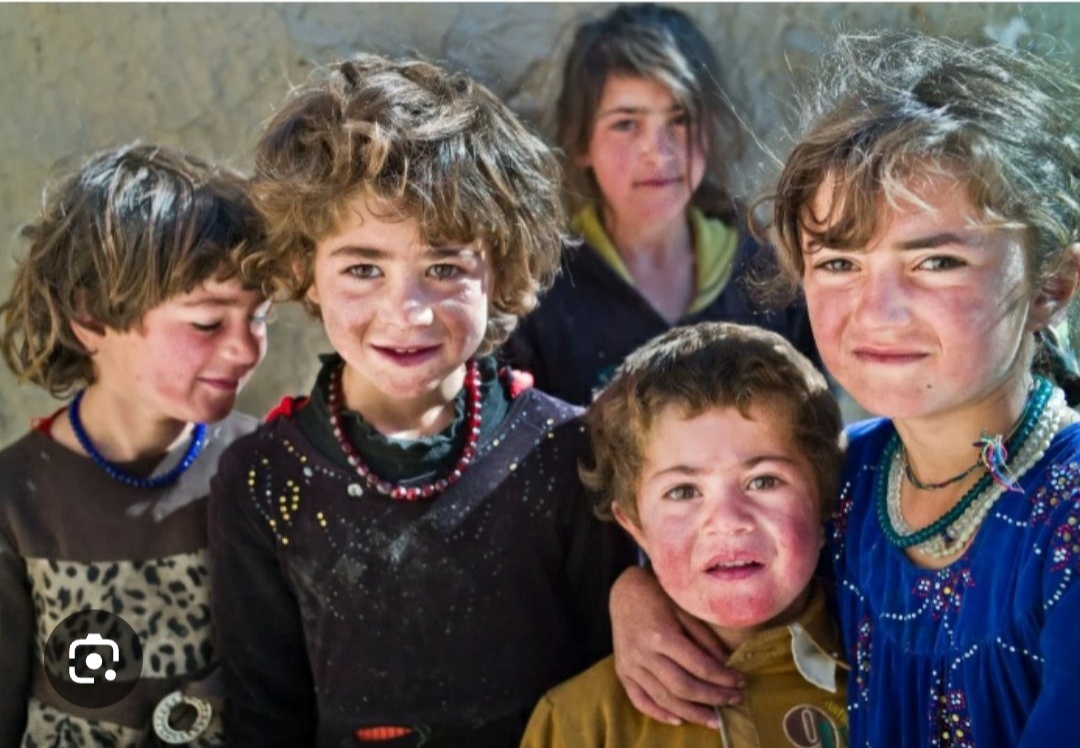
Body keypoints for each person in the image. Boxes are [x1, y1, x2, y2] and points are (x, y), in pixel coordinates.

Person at [608, 31, 1080, 748]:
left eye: (936, 261)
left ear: (1053, 285)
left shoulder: (1065, 523)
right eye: (838, 264)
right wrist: (635, 592)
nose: (878, 311)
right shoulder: (846, 477)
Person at [208, 53, 636, 748]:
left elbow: (608, 690)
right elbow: (265, 718)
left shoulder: (569, 455)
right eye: (363, 268)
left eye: (443, 266)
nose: (405, 311)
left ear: (500, 268)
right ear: (304, 270)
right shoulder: (262, 479)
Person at [0, 143, 271, 747]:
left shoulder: (263, 467)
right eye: (208, 323)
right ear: (91, 317)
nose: (245, 349)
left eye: (259, 318)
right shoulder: (16, 501)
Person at [518, 322, 848, 748]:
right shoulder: (582, 722)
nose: (727, 520)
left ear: (826, 502)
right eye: (683, 491)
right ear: (634, 526)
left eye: (764, 481)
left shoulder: (888, 676)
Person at [503, 3, 818, 407]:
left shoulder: (766, 273)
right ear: (580, 141)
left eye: (679, 119)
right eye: (626, 124)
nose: (657, 151)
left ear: (710, 127)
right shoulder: (543, 292)